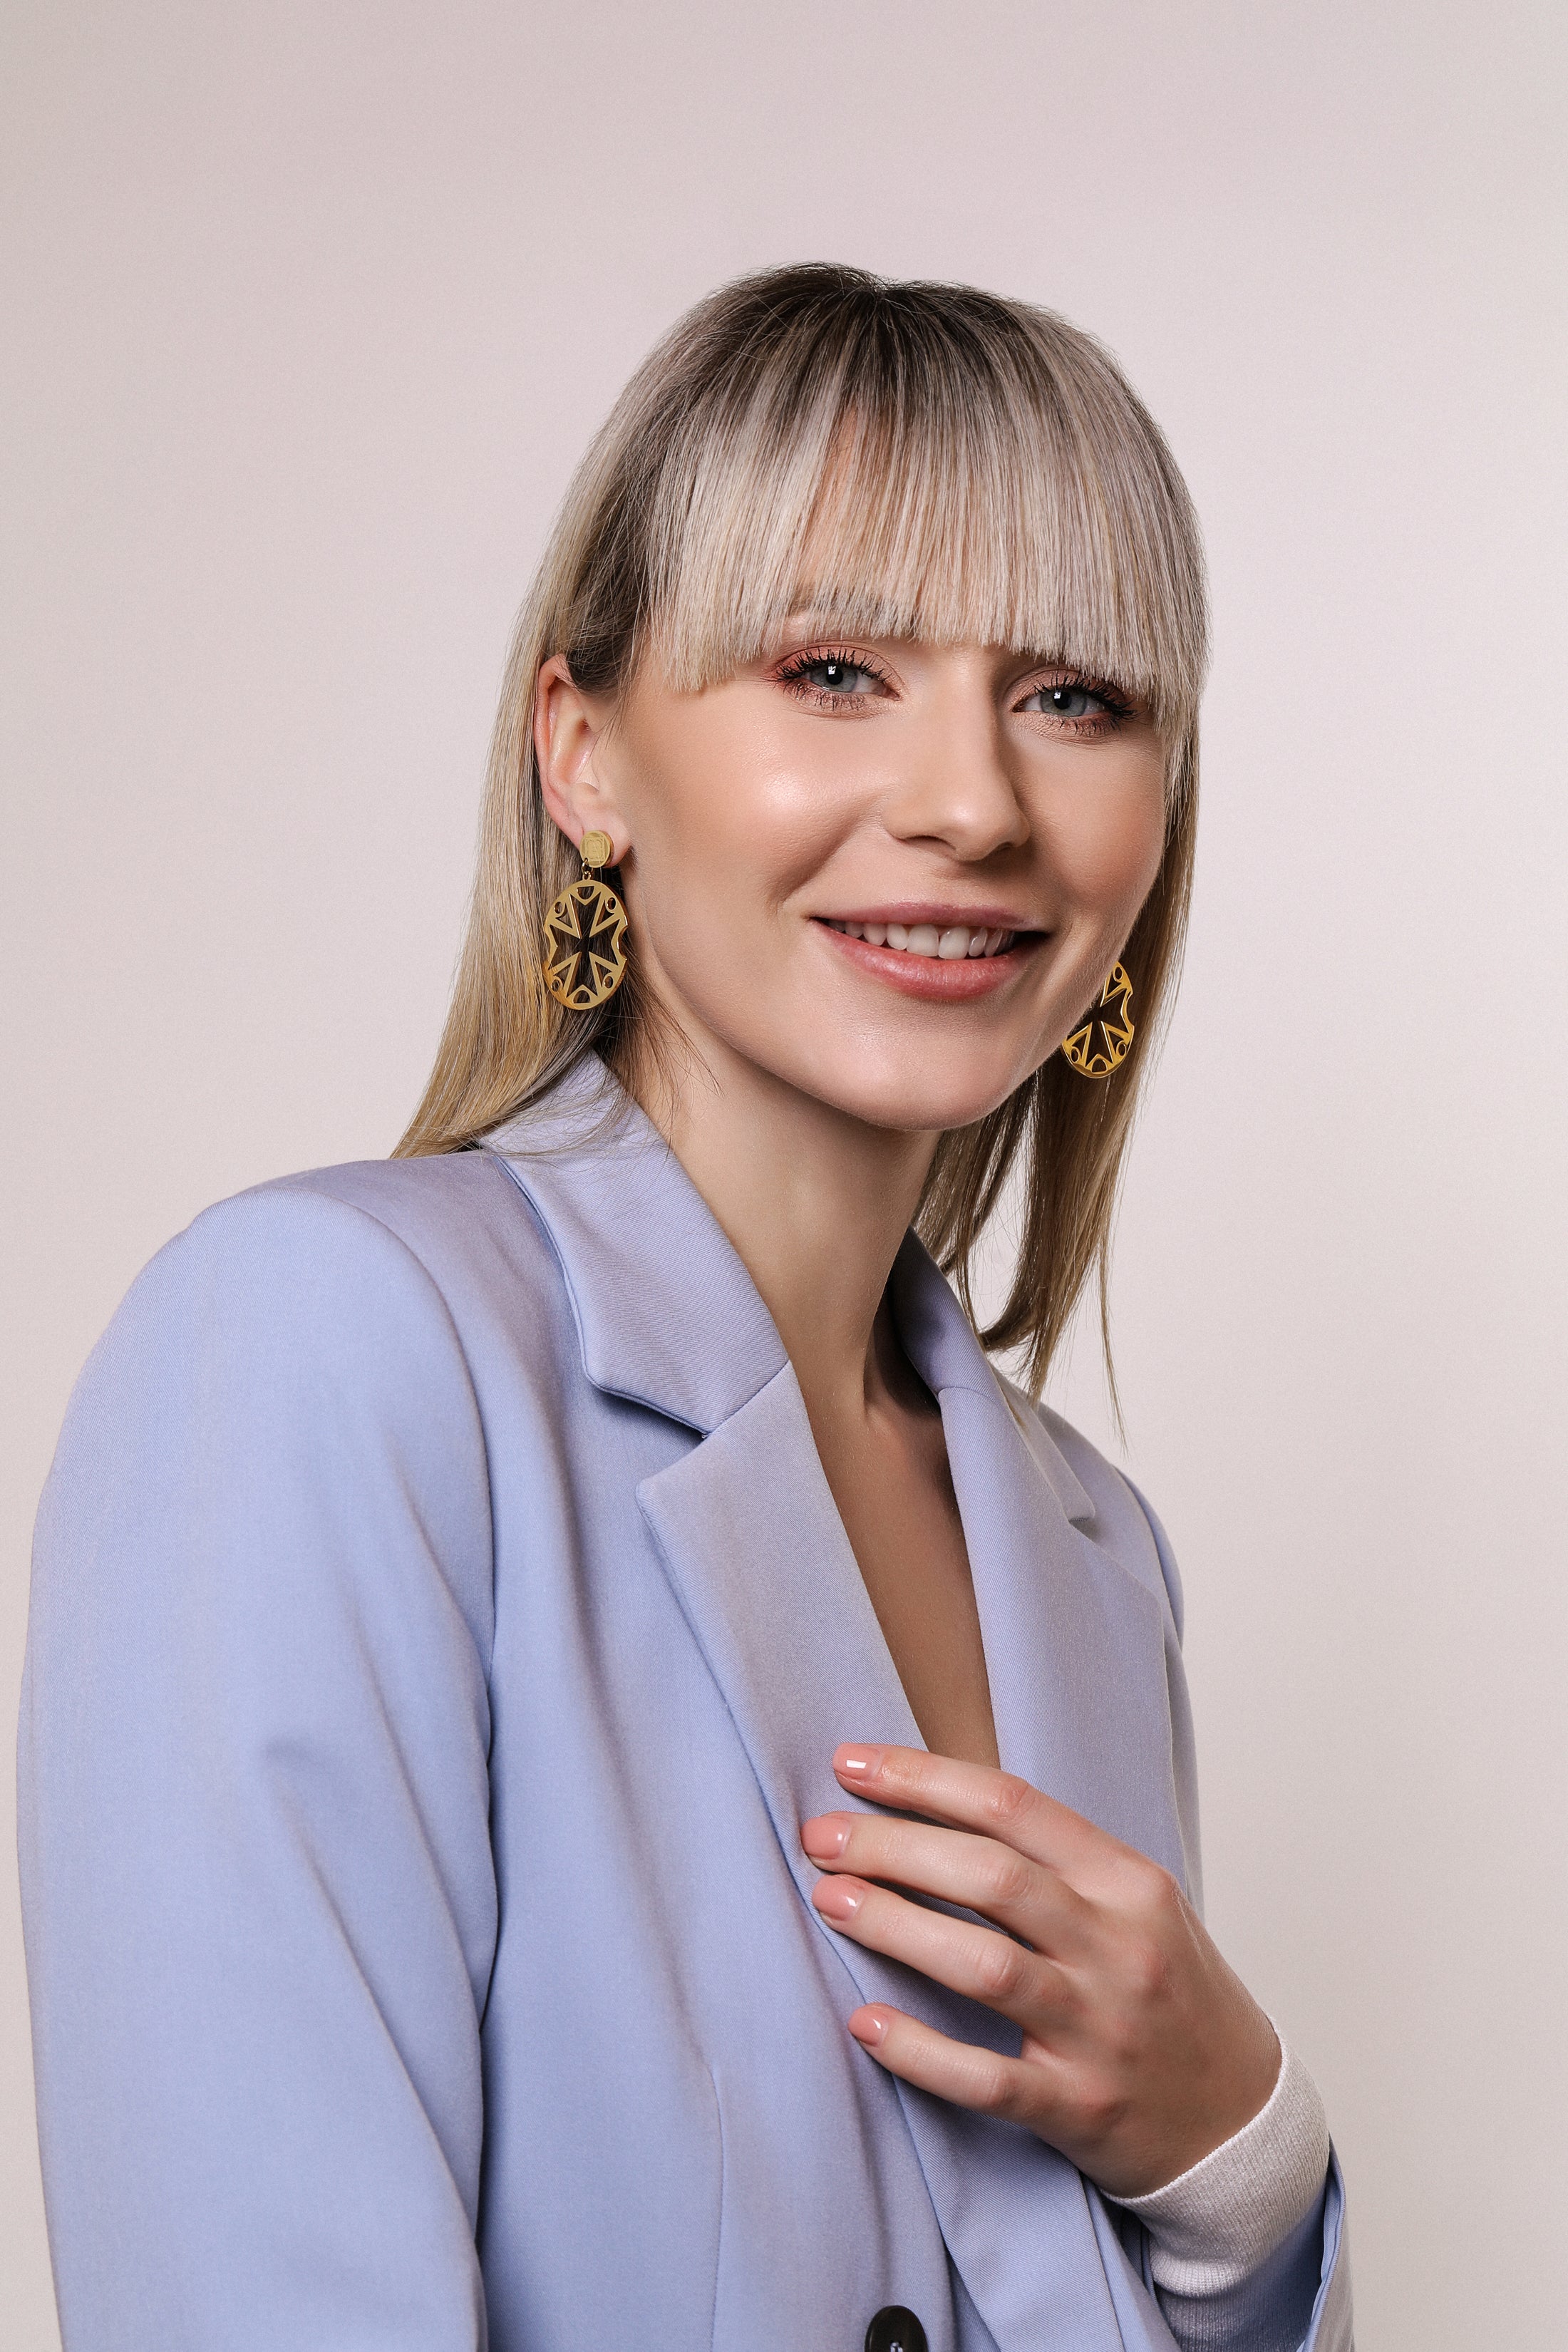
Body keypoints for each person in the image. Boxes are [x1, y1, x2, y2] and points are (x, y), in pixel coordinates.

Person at [19, 264, 1351, 2352]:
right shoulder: (320, 1350)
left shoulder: (1101, 1556)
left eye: (1076, 697)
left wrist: (1239, 2154)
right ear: (587, 759)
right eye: (834, 670)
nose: (974, 802)